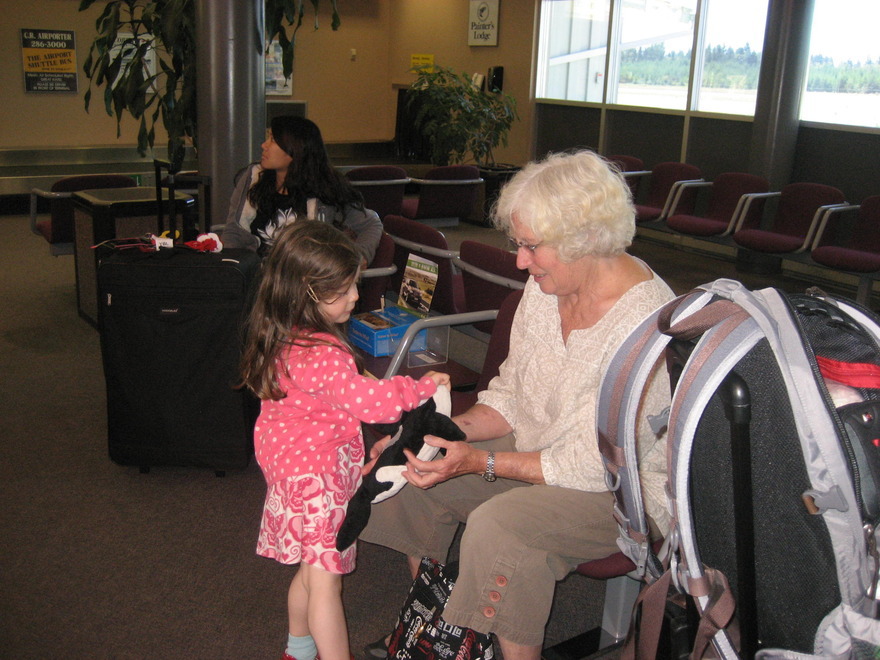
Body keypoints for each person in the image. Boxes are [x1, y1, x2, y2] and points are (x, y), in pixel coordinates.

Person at [359, 150, 675, 660]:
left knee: (502, 531)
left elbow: (591, 465)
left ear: (585, 240)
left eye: (531, 246)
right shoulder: (547, 286)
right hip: (539, 445)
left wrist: (479, 462)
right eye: (518, 244)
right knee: (416, 467)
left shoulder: (646, 325)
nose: (521, 261)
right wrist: (428, 435)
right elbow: (511, 395)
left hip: (621, 488)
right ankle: (436, 632)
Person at [239, 220, 450, 660]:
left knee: (310, 572)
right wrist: (421, 387)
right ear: (308, 293)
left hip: (291, 474)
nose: (356, 295)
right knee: (325, 584)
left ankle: (298, 649)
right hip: (316, 479)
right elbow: (373, 405)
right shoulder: (321, 354)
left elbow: (334, 399)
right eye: (344, 289)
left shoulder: (283, 337)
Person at [221, 115, 383, 264]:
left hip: (302, 278)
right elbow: (233, 232)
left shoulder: (325, 189)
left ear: (295, 149)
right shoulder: (253, 179)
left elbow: (371, 224)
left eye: (273, 140)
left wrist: (360, 257)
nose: (264, 145)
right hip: (255, 274)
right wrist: (230, 267)